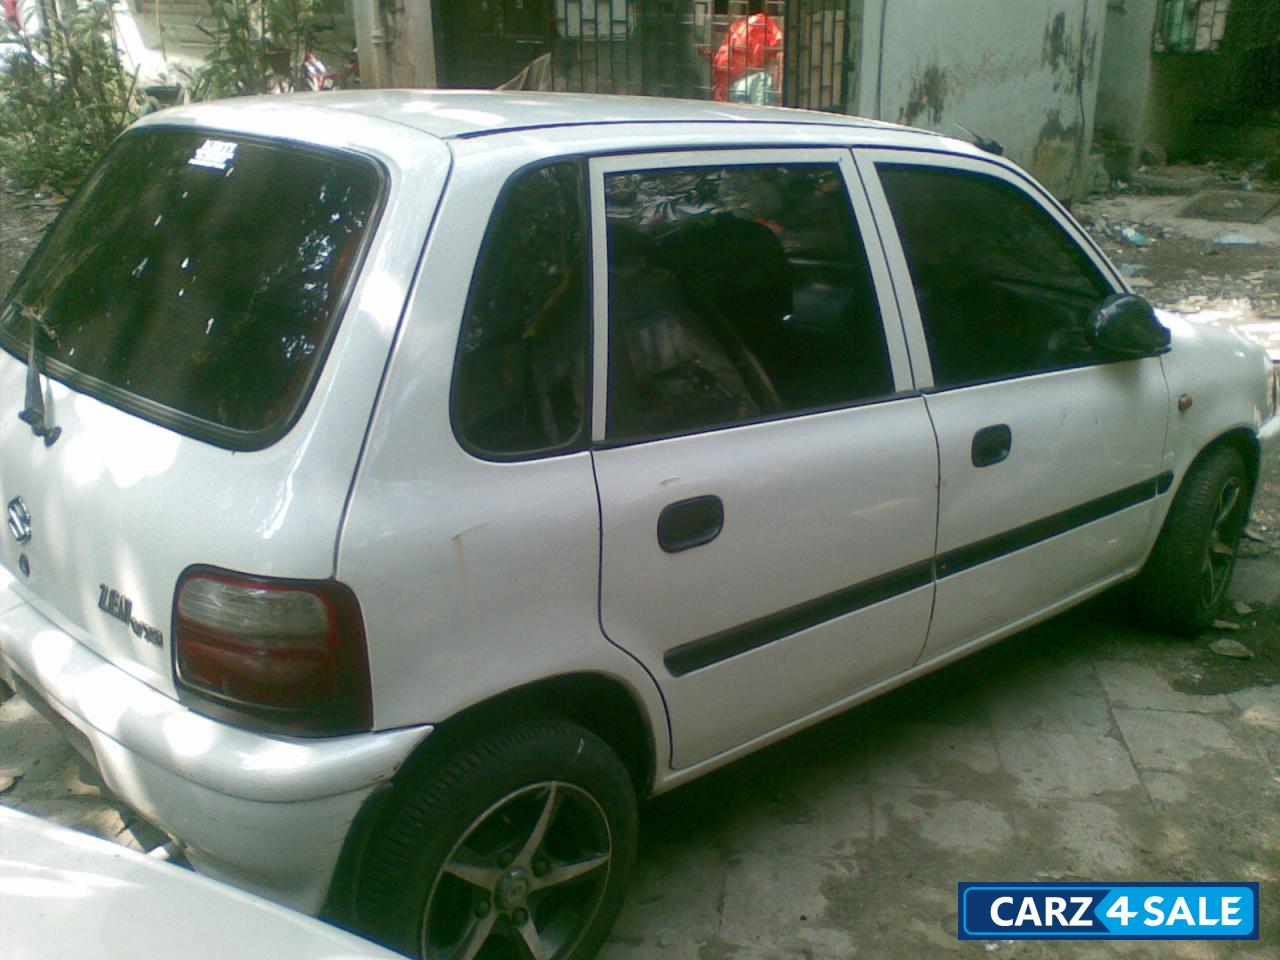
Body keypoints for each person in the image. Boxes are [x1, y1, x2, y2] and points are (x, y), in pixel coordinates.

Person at [711, 1, 784, 103]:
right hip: (740, 85)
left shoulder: (736, 28)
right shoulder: (763, 26)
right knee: (762, 81)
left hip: (729, 87)